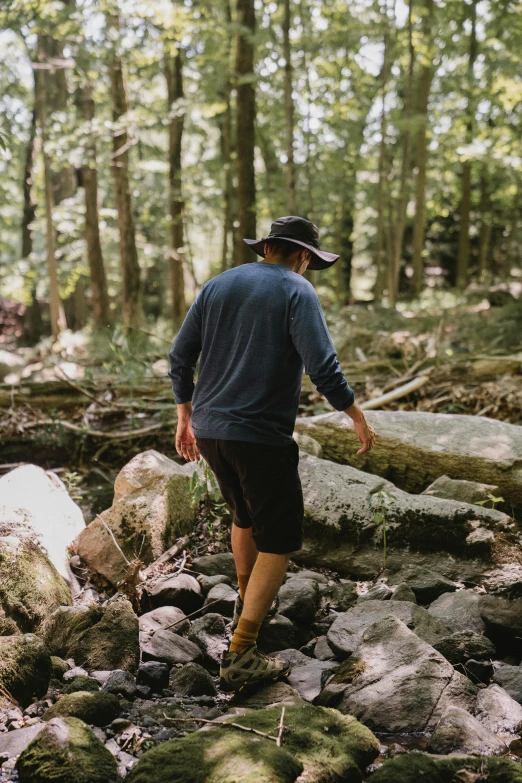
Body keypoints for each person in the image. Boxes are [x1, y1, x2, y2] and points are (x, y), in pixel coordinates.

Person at [168, 215, 376, 693]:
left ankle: (248, 605)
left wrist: (184, 417)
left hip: (211, 430)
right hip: (260, 435)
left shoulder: (218, 285)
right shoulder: (296, 291)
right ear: (304, 256)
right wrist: (355, 414)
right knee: (279, 540)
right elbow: (322, 364)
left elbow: (180, 356)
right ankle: (241, 652)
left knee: (244, 518)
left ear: (266, 247)